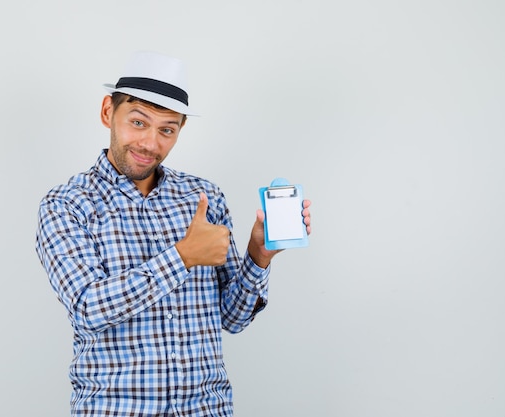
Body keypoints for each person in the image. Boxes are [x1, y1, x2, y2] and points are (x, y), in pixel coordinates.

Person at [35, 51, 312, 417]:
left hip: (206, 409)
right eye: (138, 122)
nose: (151, 143)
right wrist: (182, 257)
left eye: (167, 129)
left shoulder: (204, 197)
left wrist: (258, 256)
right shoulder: (66, 205)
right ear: (108, 113)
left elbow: (232, 318)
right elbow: (88, 309)